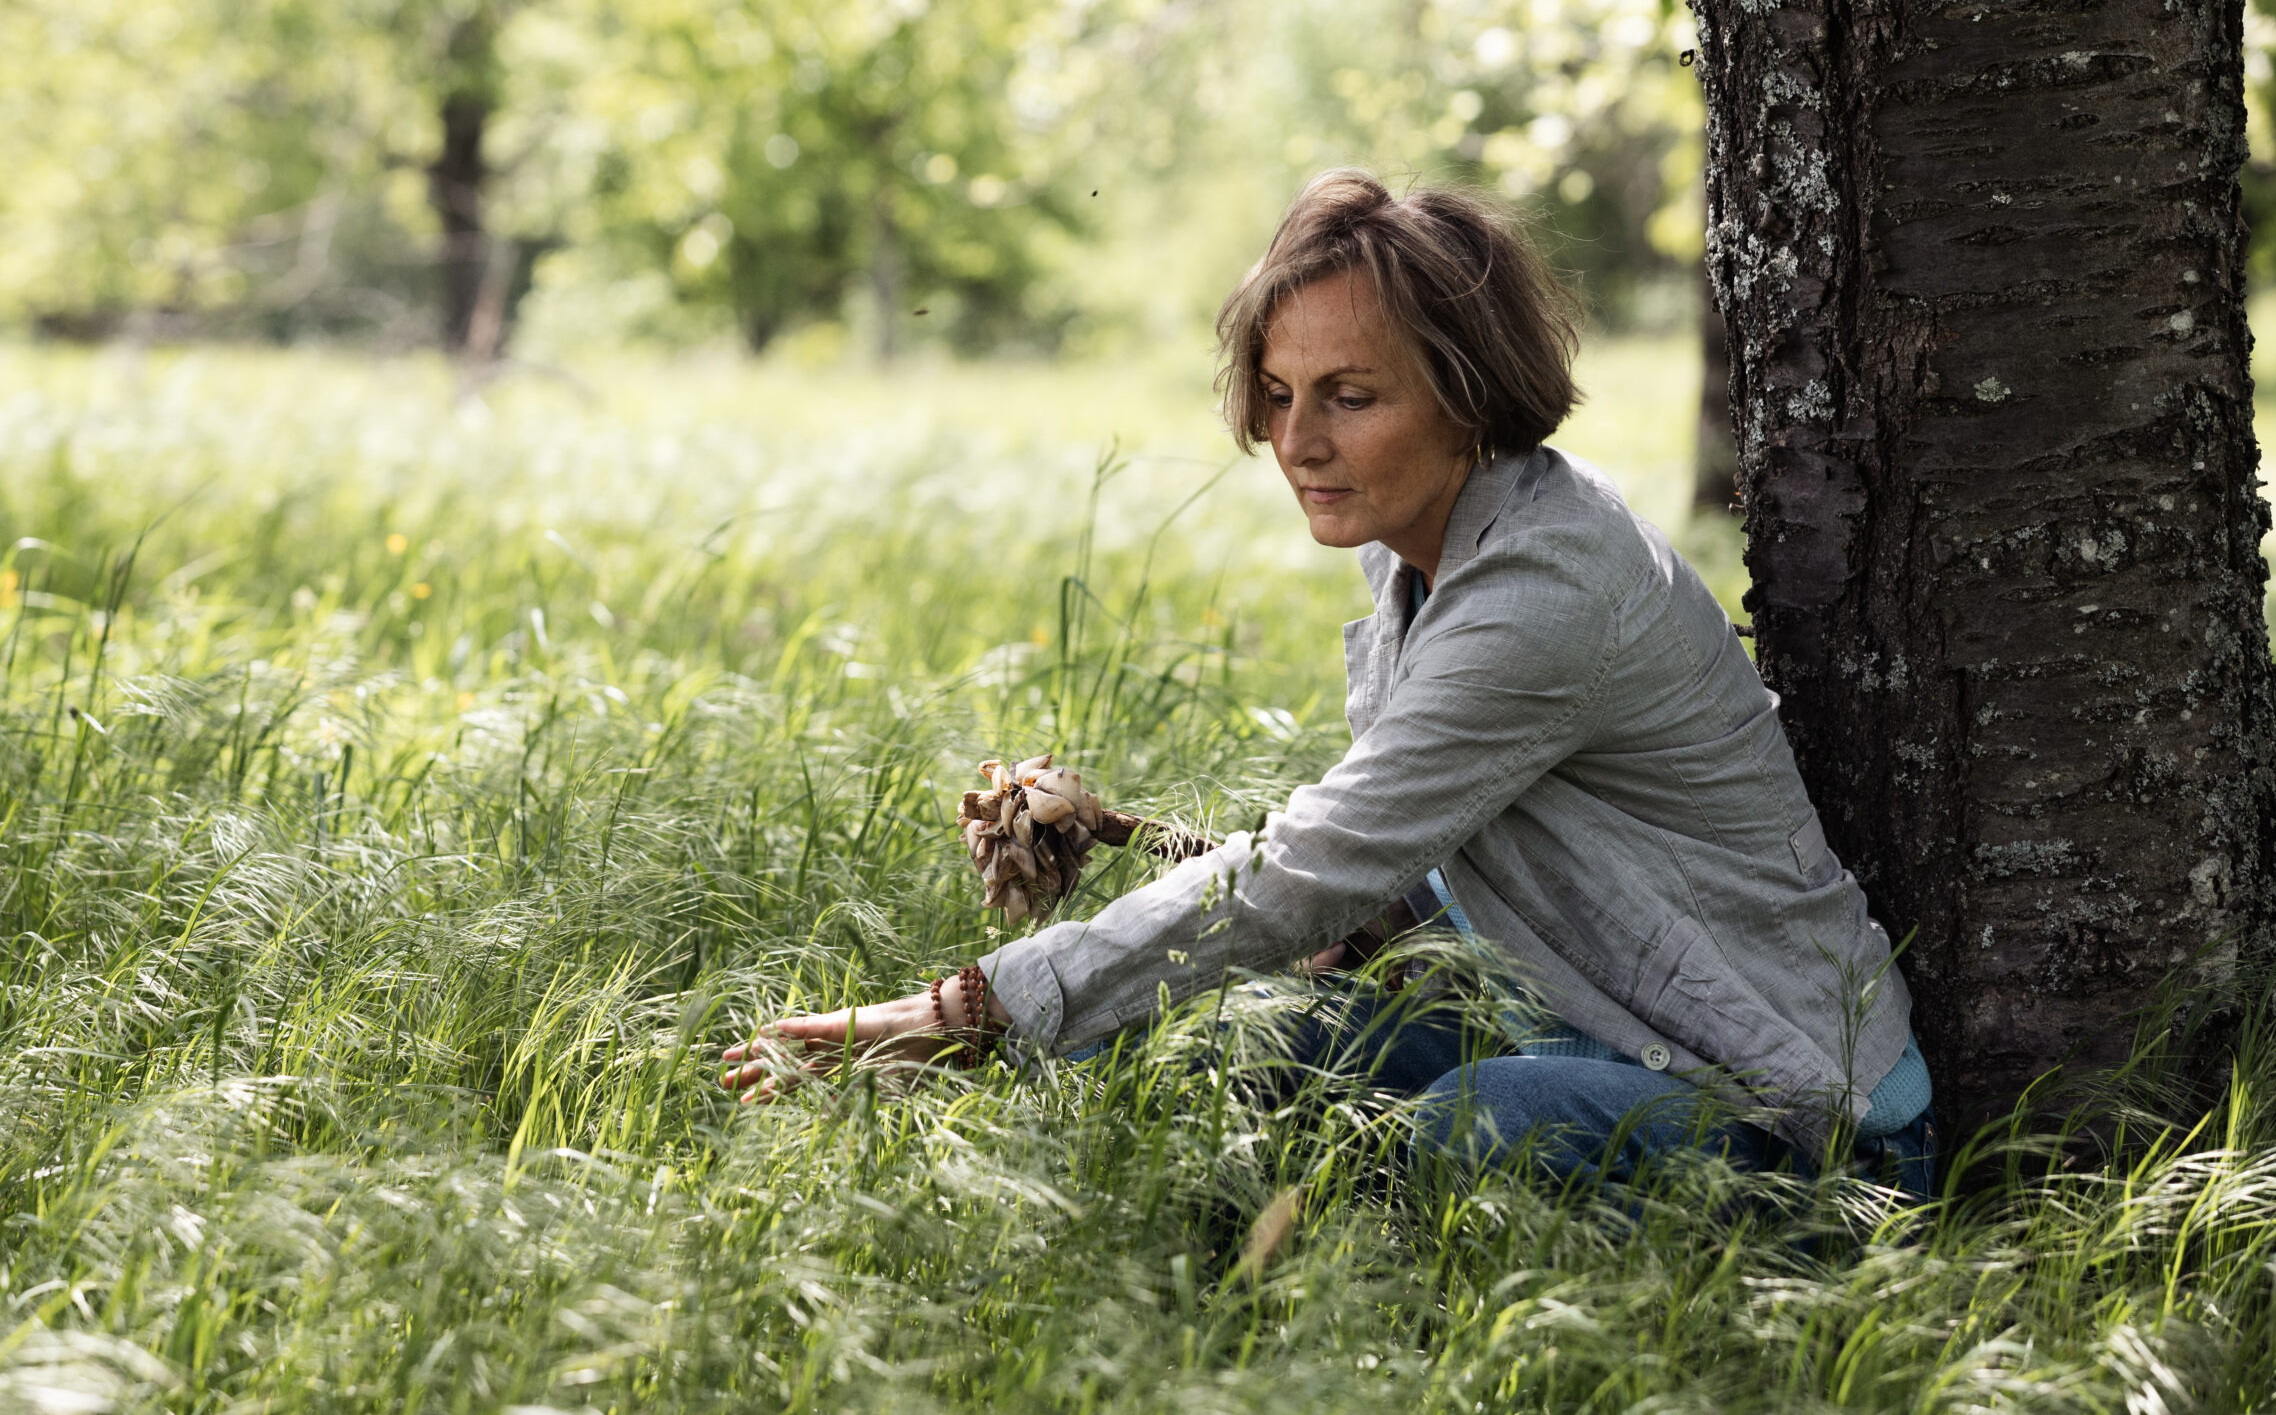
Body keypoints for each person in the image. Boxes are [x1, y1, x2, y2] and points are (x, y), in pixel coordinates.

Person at [721, 169, 1934, 1196]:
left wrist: (964, 1012)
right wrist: (1123, 832)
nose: (1296, 442)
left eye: (1350, 398)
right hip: (1587, 1023)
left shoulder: (1544, 592)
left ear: (1467, 396)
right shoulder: (1417, 550)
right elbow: (1385, 873)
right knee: (1213, 1053)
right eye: (1280, 393)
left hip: (1792, 1117)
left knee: (1476, 1125)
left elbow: (1314, 869)